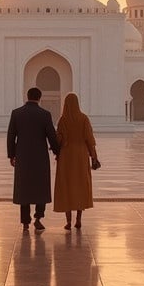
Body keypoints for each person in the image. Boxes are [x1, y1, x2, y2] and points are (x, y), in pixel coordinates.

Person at [7, 87, 60, 231]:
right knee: (40, 187)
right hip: (40, 157)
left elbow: (11, 136)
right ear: (39, 98)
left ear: (27, 96)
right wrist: (57, 152)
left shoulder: (17, 113)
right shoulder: (45, 115)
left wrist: (12, 155)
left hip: (22, 157)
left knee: (24, 188)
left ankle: (25, 222)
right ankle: (38, 218)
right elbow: (52, 136)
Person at [53, 92, 99, 230]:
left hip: (66, 157)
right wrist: (94, 157)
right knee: (80, 186)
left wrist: (57, 148)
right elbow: (90, 140)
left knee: (66, 186)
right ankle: (78, 220)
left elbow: (59, 140)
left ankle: (68, 222)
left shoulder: (63, 120)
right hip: (80, 156)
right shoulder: (83, 119)